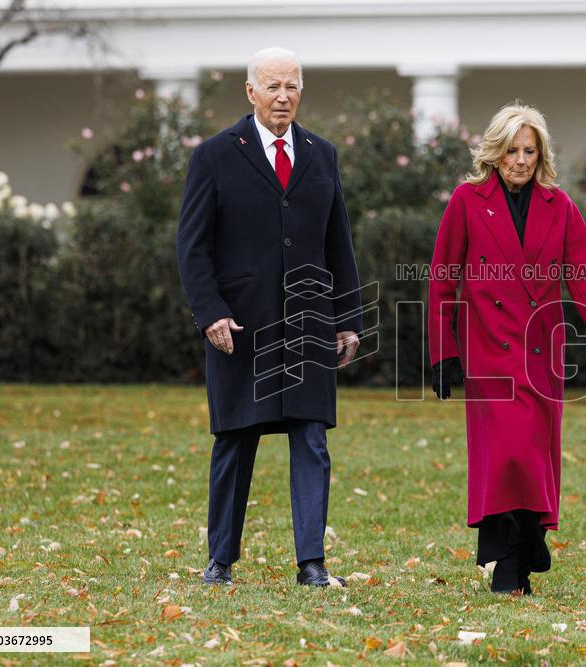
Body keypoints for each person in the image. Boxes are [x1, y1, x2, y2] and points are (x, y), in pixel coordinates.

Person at [176, 47, 363, 587]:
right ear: (251, 91)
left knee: (311, 440)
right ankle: (220, 562)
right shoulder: (214, 156)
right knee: (235, 440)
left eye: (293, 86)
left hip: (309, 324)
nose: (284, 96)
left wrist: (347, 318)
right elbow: (192, 248)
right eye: (273, 86)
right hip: (241, 327)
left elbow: (339, 243)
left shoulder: (321, 155)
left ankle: (312, 564)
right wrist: (210, 313)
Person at [428, 102, 586, 595]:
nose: (521, 160)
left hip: (541, 352)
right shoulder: (467, 201)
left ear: (541, 156)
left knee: (534, 460)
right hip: (488, 354)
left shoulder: (558, 206)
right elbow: (442, 280)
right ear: (495, 152)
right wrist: (441, 351)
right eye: (513, 150)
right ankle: (511, 563)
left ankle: (527, 547)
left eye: (530, 151)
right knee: (505, 458)